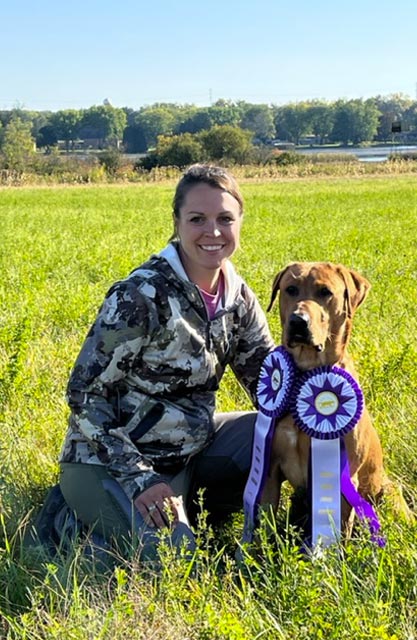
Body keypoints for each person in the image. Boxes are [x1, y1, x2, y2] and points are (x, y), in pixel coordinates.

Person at [58, 164, 274, 563]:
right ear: (176, 222)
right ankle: (71, 524)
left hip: (191, 449)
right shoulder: (140, 295)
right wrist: (141, 478)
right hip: (107, 463)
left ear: (240, 223)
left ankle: (191, 506)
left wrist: (322, 396)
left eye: (225, 219)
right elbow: (85, 395)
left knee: (274, 431)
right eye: (197, 219)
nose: (213, 232)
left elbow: (267, 382)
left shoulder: (237, 296)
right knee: (176, 560)